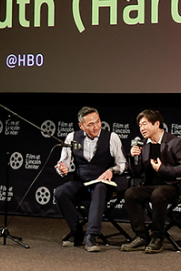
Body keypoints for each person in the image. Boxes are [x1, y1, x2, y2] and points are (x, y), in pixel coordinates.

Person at [54, 106, 127, 252]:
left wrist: (111, 170)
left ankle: (92, 235)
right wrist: (62, 169)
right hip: (81, 182)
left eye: (98, 122)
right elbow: (64, 163)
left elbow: (122, 163)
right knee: (60, 192)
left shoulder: (112, 137)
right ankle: (77, 232)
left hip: (104, 184)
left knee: (99, 187)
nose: (96, 127)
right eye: (90, 124)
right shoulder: (72, 137)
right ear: (81, 126)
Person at [120, 109, 181, 254]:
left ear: (157, 124)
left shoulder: (175, 142)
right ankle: (141, 236)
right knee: (130, 193)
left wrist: (162, 168)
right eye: (140, 125)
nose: (141, 128)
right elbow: (137, 172)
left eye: (144, 124)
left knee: (158, 194)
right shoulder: (144, 144)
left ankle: (157, 237)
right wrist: (133, 158)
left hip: (171, 186)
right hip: (149, 185)